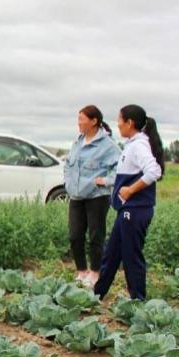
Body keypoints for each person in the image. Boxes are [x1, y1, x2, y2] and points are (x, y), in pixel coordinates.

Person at [94, 105, 164, 301]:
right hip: (126, 210)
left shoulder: (139, 146)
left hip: (135, 210)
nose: (118, 125)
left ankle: (138, 301)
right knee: (112, 253)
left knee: (131, 256)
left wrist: (131, 190)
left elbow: (154, 172)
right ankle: (97, 294)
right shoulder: (132, 145)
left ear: (129, 123)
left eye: (119, 121)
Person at [64, 105, 121, 287]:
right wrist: (68, 182)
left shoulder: (108, 145)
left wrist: (104, 181)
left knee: (96, 236)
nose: (79, 123)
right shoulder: (78, 142)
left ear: (94, 121)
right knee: (75, 235)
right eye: (78, 119)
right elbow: (68, 165)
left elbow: (120, 169)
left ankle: (95, 273)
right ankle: (81, 271)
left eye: (82, 119)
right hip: (77, 197)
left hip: (97, 197)